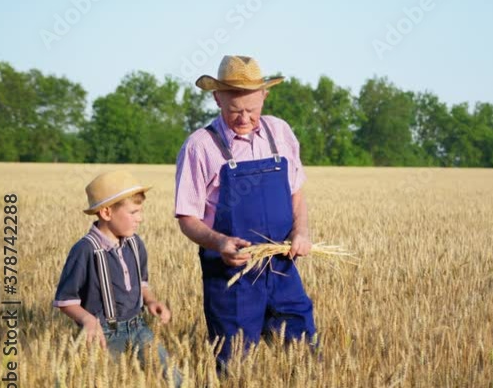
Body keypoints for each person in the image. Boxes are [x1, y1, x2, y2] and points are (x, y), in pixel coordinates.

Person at [174, 55, 316, 371]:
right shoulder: (200, 146)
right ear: (217, 98)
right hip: (231, 276)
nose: (244, 118)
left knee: (304, 351)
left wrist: (301, 232)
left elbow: (296, 193)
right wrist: (220, 242)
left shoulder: (280, 133)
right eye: (235, 110)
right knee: (234, 366)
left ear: (264, 96)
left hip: (281, 266)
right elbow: (187, 218)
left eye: (252, 109)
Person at [54, 170, 173, 364]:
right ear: (107, 212)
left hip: (139, 327)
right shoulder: (85, 250)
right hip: (104, 335)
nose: (140, 218)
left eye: (140, 211)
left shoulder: (135, 244)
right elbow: (66, 301)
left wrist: (151, 301)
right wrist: (88, 320)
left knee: (170, 377)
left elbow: (141, 283)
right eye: (134, 212)